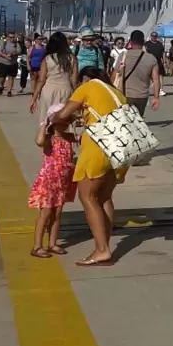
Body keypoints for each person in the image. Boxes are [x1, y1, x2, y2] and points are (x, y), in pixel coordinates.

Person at [50, 66, 130, 267]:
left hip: (98, 147)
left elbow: (63, 114)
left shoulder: (87, 87)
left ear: (85, 78)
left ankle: (102, 250)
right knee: (104, 197)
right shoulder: (117, 93)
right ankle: (105, 246)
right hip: (120, 148)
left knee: (87, 196)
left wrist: (52, 118)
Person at [29, 103, 76, 257]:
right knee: (46, 213)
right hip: (48, 182)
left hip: (62, 183)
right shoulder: (49, 138)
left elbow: (83, 138)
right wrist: (45, 124)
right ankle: (37, 246)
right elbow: (39, 141)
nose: (66, 124)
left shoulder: (68, 138)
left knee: (57, 213)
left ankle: (52, 243)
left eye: (67, 121)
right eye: (62, 121)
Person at [30, 31, 76, 117]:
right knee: (63, 119)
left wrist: (34, 98)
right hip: (66, 90)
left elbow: (41, 80)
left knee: (46, 119)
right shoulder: (72, 58)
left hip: (49, 90)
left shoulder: (47, 59)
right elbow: (74, 80)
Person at [118, 29, 161, 116]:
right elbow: (156, 80)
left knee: (125, 120)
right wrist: (156, 97)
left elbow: (115, 75)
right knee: (138, 119)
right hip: (142, 96)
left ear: (130, 42)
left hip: (124, 94)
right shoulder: (151, 58)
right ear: (143, 42)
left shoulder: (123, 56)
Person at [145, 31, 167, 97]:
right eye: (153, 36)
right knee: (147, 76)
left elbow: (163, 54)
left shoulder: (160, 44)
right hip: (148, 62)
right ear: (151, 36)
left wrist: (164, 62)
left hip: (158, 62)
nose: (154, 37)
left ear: (157, 37)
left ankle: (161, 90)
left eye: (155, 36)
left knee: (160, 76)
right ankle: (146, 90)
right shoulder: (146, 44)